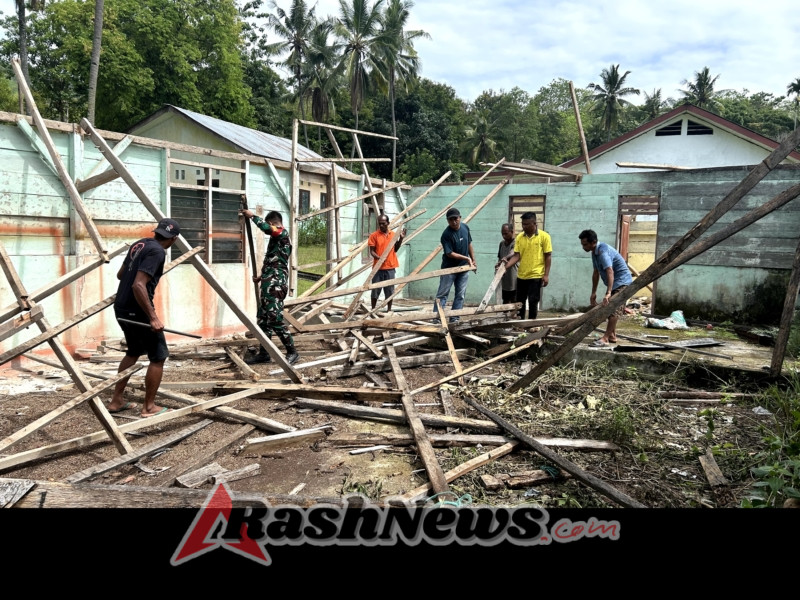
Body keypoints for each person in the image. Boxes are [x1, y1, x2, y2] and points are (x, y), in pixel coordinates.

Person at [108, 218, 180, 418]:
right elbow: (138, 285)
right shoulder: (158, 252)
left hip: (122, 307)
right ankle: (149, 407)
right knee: (158, 356)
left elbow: (121, 274)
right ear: (174, 239)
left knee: (133, 352)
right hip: (137, 310)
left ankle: (116, 400)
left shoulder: (139, 244)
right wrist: (153, 317)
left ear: (156, 232)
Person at [242, 209, 299, 365]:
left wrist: (252, 216)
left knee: (274, 317)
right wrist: (261, 276)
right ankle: (264, 353)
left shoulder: (282, 233)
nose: (268, 228)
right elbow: (273, 261)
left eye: (269, 225)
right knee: (264, 319)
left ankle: (292, 351)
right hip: (269, 281)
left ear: (272, 223)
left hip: (276, 283)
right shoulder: (276, 240)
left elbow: (268, 229)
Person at [579, 229, 633, 347]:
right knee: (609, 308)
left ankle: (605, 338)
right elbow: (596, 272)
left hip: (623, 283)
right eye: (582, 244)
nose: (583, 247)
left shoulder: (603, 251)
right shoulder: (594, 252)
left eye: (585, 244)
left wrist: (608, 293)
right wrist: (593, 293)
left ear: (593, 242)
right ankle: (612, 335)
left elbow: (609, 271)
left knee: (614, 310)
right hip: (615, 283)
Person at [500, 212, 552, 319]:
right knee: (520, 302)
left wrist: (546, 275)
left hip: (536, 276)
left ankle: (531, 324)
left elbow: (548, 256)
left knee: (533, 301)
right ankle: (520, 324)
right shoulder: (520, 237)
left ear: (534, 223)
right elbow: (517, 256)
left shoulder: (544, 236)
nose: (524, 226)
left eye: (527, 224)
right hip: (521, 275)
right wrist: (505, 267)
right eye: (523, 224)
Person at [433, 208, 476, 323]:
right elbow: (449, 253)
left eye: (456, 219)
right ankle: (437, 319)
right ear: (447, 221)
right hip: (449, 268)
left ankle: (455, 318)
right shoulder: (446, 235)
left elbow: (469, 244)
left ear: (460, 218)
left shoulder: (465, 228)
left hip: (463, 268)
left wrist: (473, 259)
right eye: (451, 220)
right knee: (442, 294)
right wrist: (466, 258)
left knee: (460, 294)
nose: (454, 222)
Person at [368, 214, 406, 311]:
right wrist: (379, 258)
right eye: (379, 224)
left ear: (388, 223)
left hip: (390, 267)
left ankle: (389, 310)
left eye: (383, 224)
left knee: (389, 290)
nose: (381, 226)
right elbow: (371, 251)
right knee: (375, 289)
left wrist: (401, 238)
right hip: (378, 268)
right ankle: (372, 309)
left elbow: (396, 249)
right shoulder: (374, 236)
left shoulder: (393, 235)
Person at [495, 223, 518, 304]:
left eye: (506, 233)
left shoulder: (516, 243)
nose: (504, 235)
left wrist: (506, 258)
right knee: (505, 299)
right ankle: (505, 315)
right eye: (502, 233)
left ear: (511, 232)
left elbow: (513, 253)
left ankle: (514, 315)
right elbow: (499, 257)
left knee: (514, 300)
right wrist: (498, 264)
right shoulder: (501, 244)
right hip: (504, 277)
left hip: (514, 277)